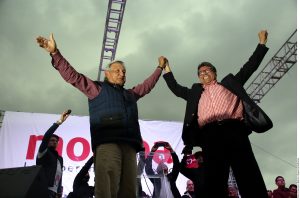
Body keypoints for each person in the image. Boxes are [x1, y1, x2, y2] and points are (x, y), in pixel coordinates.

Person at [36, 33, 167, 198]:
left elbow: (147, 86)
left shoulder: (130, 94)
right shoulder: (97, 89)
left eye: (124, 71)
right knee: (107, 187)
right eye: (117, 71)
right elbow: (73, 76)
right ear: (107, 73)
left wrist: (160, 68)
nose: (122, 74)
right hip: (107, 143)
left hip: (130, 146)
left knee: (129, 190)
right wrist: (55, 53)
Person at [163, 30, 272, 198]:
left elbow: (250, 66)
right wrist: (167, 68)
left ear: (215, 73)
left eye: (207, 70)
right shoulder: (195, 92)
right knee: (214, 178)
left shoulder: (230, 83)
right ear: (198, 77)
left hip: (234, 130)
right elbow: (176, 88)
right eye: (200, 72)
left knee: (248, 173)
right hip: (210, 135)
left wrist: (262, 44)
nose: (204, 74)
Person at [36, 110, 70, 198]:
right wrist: (58, 122)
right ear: (47, 142)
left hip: (55, 193)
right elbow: (46, 136)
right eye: (52, 140)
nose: (54, 142)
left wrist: (59, 191)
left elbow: (59, 175)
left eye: (56, 141)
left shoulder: (60, 158)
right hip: (43, 190)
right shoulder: (44, 152)